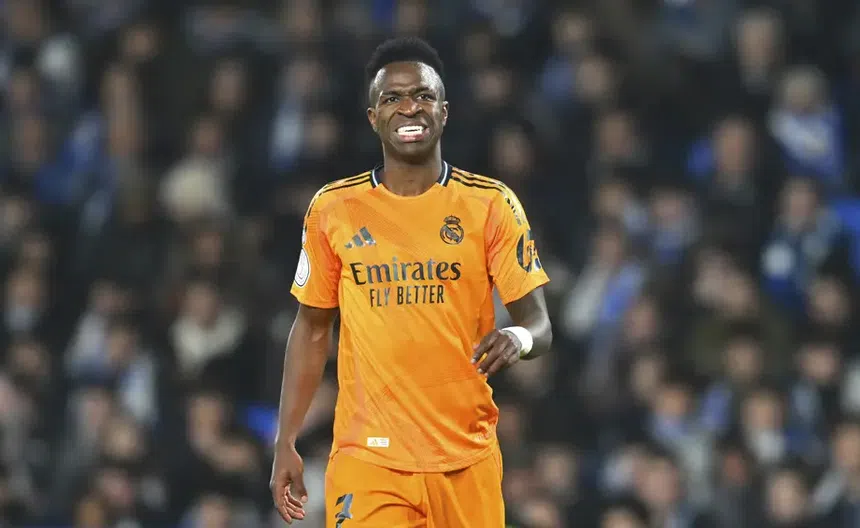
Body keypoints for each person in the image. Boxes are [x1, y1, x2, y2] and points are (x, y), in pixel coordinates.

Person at [269, 36, 553, 527]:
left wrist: (517, 337)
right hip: (369, 457)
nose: (409, 107)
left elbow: (539, 324)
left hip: (465, 455)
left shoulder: (491, 205)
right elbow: (312, 328)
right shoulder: (334, 209)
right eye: (392, 98)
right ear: (373, 117)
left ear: (444, 112)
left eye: (423, 95)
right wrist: (285, 439)